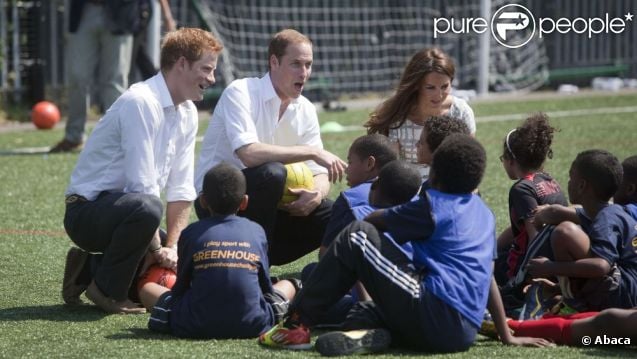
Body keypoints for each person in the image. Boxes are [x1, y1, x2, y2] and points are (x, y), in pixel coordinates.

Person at [259, 134, 496, 355]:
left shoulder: (434, 206)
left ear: (435, 173)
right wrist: (507, 334)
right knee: (365, 312)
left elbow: (368, 224)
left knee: (355, 235)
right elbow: (490, 276)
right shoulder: (484, 213)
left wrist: (377, 199)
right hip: (465, 330)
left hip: (436, 314)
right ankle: (378, 334)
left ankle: (294, 325)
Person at [60, 28, 223, 314]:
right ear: (182, 63)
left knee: (188, 246)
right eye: (206, 69)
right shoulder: (141, 102)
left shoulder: (187, 113)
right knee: (147, 211)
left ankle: (87, 269)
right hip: (86, 213)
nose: (212, 79)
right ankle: (106, 291)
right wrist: (156, 250)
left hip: (131, 212)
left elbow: (181, 189)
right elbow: (142, 187)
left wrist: (171, 247)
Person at [194, 29, 346, 266]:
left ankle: (322, 284)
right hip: (219, 206)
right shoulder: (241, 91)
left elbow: (319, 172)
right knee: (272, 172)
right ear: (274, 62)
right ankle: (254, 268)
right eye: (296, 64)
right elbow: (249, 153)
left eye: (308, 64)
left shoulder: (305, 108)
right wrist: (313, 152)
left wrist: (315, 195)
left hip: (272, 214)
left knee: (338, 213)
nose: (304, 73)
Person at [139, 163, 300, 338]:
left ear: (202, 201)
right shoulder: (257, 231)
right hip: (253, 323)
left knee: (147, 289)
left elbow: (181, 287)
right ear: (244, 201)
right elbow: (266, 287)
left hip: (194, 324)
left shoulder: (191, 233)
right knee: (291, 284)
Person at [528, 150, 637, 311]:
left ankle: (572, 306)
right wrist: (558, 287)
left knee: (564, 233)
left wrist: (549, 266)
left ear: (581, 185)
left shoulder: (607, 217)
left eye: (571, 177)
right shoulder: (613, 213)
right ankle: (568, 297)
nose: (569, 181)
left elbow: (601, 266)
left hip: (624, 296)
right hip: (629, 290)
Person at [365, 48, 476, 179]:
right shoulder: (398, 113)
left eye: (445, 86)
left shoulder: (461, 111)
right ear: (416, 85)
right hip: (408, 185)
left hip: (449, 185)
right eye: (430, 87)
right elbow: (390, 167)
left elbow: (468, 160)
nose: (439, 95)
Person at [50, 0, 139, 153]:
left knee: (115, 80)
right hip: (84, 11)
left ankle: (115, 137)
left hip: (120, 13)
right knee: (77, 76)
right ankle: (74, 136)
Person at [494, 114, 567, 289]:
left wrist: (524, 282)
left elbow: (536, 239)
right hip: (559, 260)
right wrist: (493, 247)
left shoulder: (522, 189)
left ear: (510, 160)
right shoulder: (549, 180)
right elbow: (518, 230)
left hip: (531, 271)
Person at [320, 134, 399, 255]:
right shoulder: (407, 193)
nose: (346, 169)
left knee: (311, 270)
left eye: (350, 162)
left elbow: (326, 255)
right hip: (403, 268)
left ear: (369, 163)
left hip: (362, 269)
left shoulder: (349, 198)